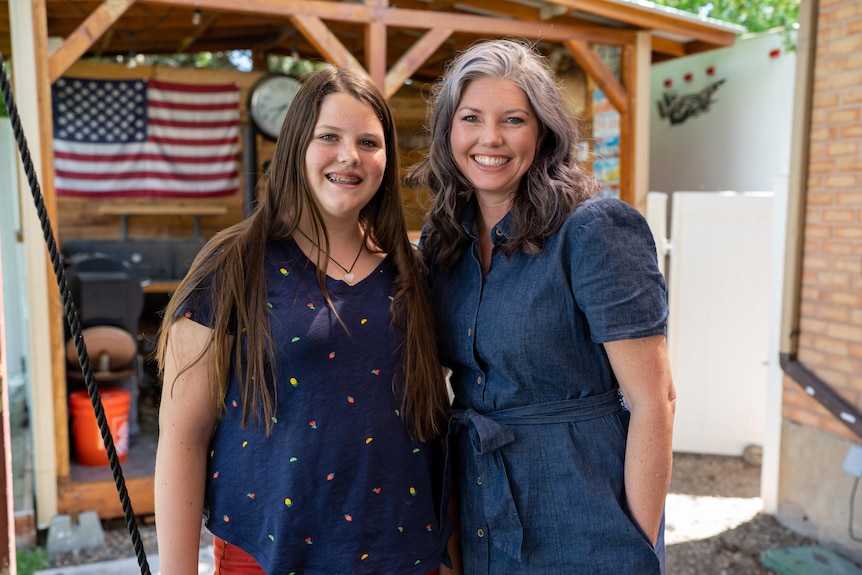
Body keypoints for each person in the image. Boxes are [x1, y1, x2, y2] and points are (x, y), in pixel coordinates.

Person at [154, 66, 451, 575]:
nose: (349, 156)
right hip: (262, 552)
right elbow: (183, 437)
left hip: (403, 550)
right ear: (296, 145)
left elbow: (434, 422)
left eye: (368, 142)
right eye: (329, 137)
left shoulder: (414, 272)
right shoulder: (234, 264)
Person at [406, 39, 676, 574]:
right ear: (448, 132)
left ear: (544, 131)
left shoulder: (595, 230)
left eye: (513, 119)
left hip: (585, 513)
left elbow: (656, 400)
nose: (490, 138)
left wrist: (635, 544)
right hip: (479, 501)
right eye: (472, 118)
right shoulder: (443, 242)